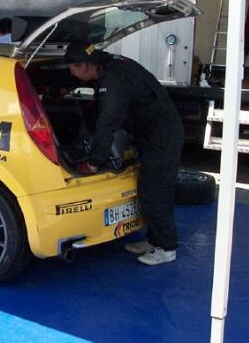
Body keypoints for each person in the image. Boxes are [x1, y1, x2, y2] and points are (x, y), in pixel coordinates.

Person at [65, 40, 183, 266]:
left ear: (84, 66)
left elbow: (108, 120)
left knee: (154, 191)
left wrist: (94, 162)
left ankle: (167, 248)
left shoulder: (113, 78)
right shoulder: (113, 65)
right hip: (153, 134)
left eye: (72, 69)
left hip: (161, 137)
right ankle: (155, 240)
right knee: (150, 188)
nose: (71, 75)